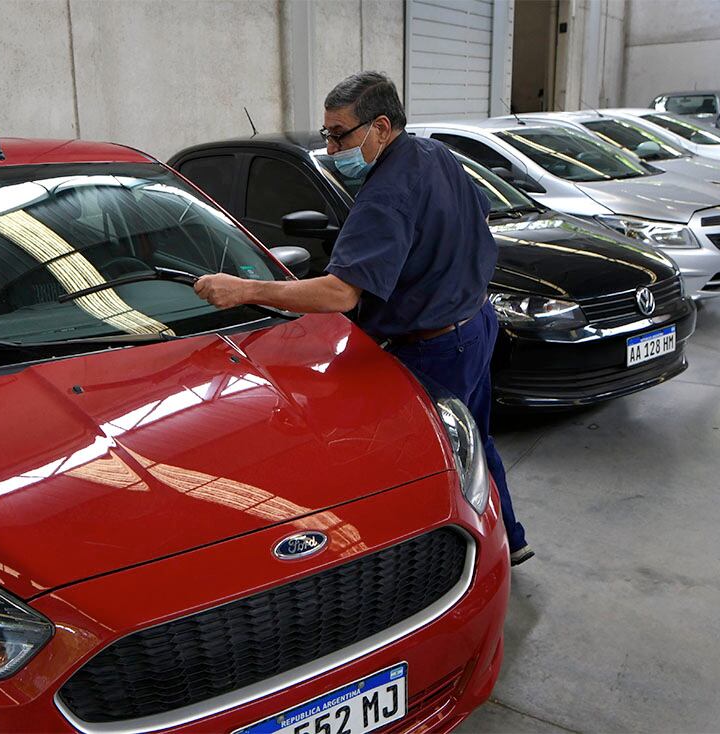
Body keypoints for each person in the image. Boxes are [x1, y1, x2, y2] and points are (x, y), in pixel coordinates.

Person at [194, 71, 532, 565]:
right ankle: (510, 540)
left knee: (426, 467)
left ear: (379, 127)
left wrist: (244, 289)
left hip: (433, 349)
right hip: (475, 325)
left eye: (339, 135)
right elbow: (472, 220)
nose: (331, 149)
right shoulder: (433, 154)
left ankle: (457, 567)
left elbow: (339, 294)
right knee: (473, 441)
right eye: (327, 135)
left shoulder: (385, 194)